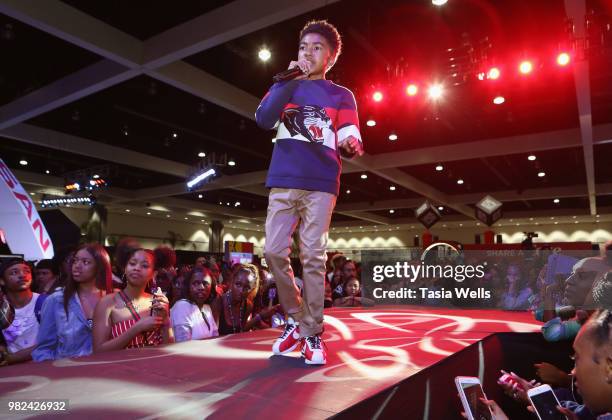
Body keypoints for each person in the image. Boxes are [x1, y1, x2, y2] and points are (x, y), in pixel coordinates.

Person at [256, 20, 363, 365]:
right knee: (273, 251)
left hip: (320, 183)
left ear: (330, 58)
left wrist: (350, 141)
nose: (307, 52)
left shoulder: (341, 95)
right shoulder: (285, 85)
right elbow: (264, 118)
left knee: (314, 258)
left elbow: (349, 131)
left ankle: (313, 334)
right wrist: (287, 81)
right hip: (283, 179)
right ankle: (296, 319)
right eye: (303, 47)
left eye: (317, 48)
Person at [33, 243, 113, 361]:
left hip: (106, 371)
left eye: (85, 262)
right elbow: (43, 349)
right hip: (67, 373)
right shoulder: (56, 300)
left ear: (100, 266)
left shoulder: (112, 299)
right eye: (75, 261)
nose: (77, 266)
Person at [93, 249, 173, 351]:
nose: (137, 268)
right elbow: (98, 350)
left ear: (153, 274)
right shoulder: (107, 303)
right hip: (120, 366)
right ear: (125, 269)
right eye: (132, 263)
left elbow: (169, 349)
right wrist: (137, 328)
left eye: (144, 265)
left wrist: (166, 320)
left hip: (153, 365)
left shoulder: (157, 302)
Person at [0, 259, 44, 365]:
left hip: (44, 366)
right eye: (14, 272)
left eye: (26, 271)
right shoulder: (2, 307)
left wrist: (13, 358)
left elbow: (53, 341)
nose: (22, 275)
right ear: (2, 281)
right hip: (12, 373)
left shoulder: (45, 302)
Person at [171, 267, 219, 342]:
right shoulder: (182, 306)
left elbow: (215, 337)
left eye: (205, 283)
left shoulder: (207, 308)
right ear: (188, 286)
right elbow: (183, 345)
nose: (201, 287)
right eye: (196, 283)